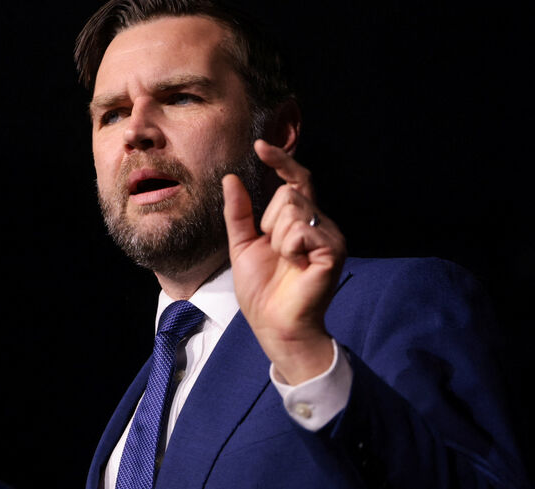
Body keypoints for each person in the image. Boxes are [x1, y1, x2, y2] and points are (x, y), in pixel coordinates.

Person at [73, 1, 529, 488]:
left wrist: (305, 357)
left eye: (181, 97)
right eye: (113, 114)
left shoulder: (394, 301)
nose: (136, 132)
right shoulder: (138, 405)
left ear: (279, 129)